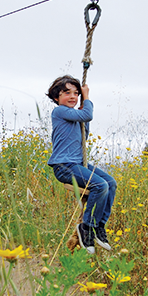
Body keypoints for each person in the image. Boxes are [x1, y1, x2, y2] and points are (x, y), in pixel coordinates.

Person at [46, 75, 117, 255]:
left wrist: (83, 109)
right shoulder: (59, 111)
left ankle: (99, 227)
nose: (73, 96)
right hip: (64, 166)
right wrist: (87, 97)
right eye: (67, 92)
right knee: (99, 185)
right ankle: (86, 227)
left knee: (110, 183)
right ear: (56, 97)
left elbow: (84, 128)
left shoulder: (75, 117)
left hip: (77, 163)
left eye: (76, 93)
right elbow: (88, 115)